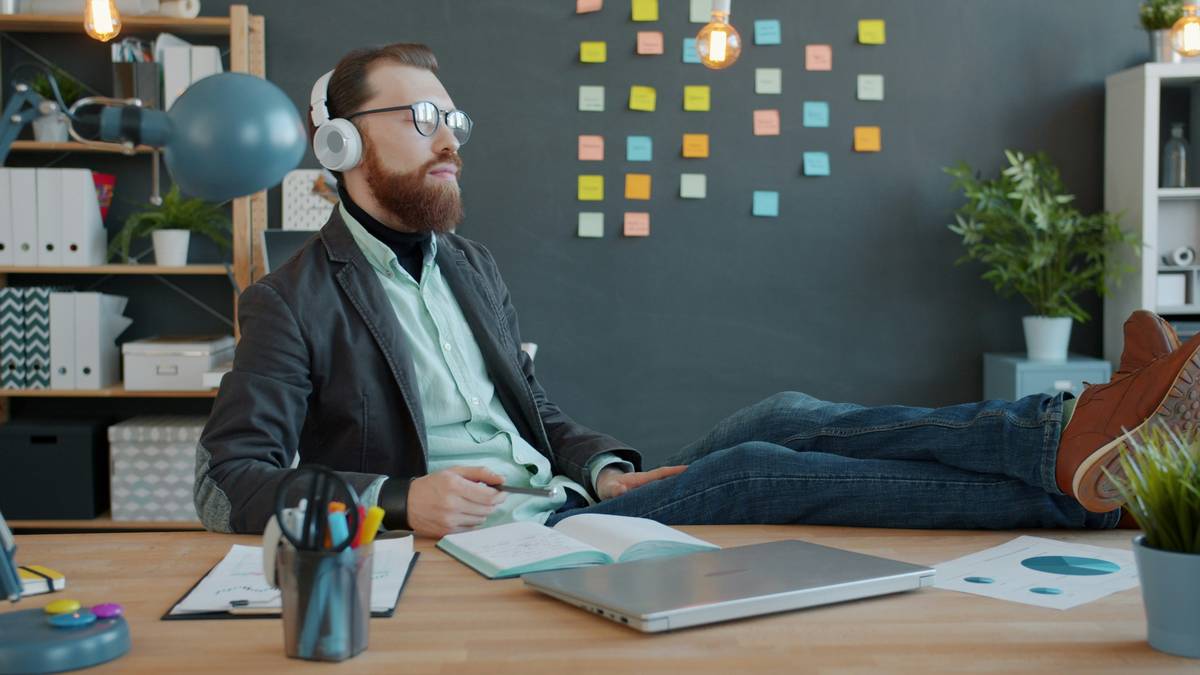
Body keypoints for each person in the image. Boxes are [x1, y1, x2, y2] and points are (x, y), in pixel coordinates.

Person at [195, 43, 1194, 537]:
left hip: (570, 506)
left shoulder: (468, 265)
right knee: (756, 468)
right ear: (339, 142)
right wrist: (401, 499)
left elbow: (534, 413)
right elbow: (226, 486)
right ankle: (1087, 473)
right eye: (421, 117)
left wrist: (605, 469)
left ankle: (1075, 444)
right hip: (504, 543)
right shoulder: (293, 299)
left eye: (454, 115)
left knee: (783, 411)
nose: (451, 137)